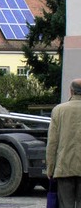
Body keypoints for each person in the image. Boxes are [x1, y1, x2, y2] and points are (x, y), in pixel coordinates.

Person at [47, 78, 81, 208]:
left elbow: (52, 142)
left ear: (71, 92)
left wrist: (50, 168)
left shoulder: (59, 110)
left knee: (65, 204)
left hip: (64, 168)